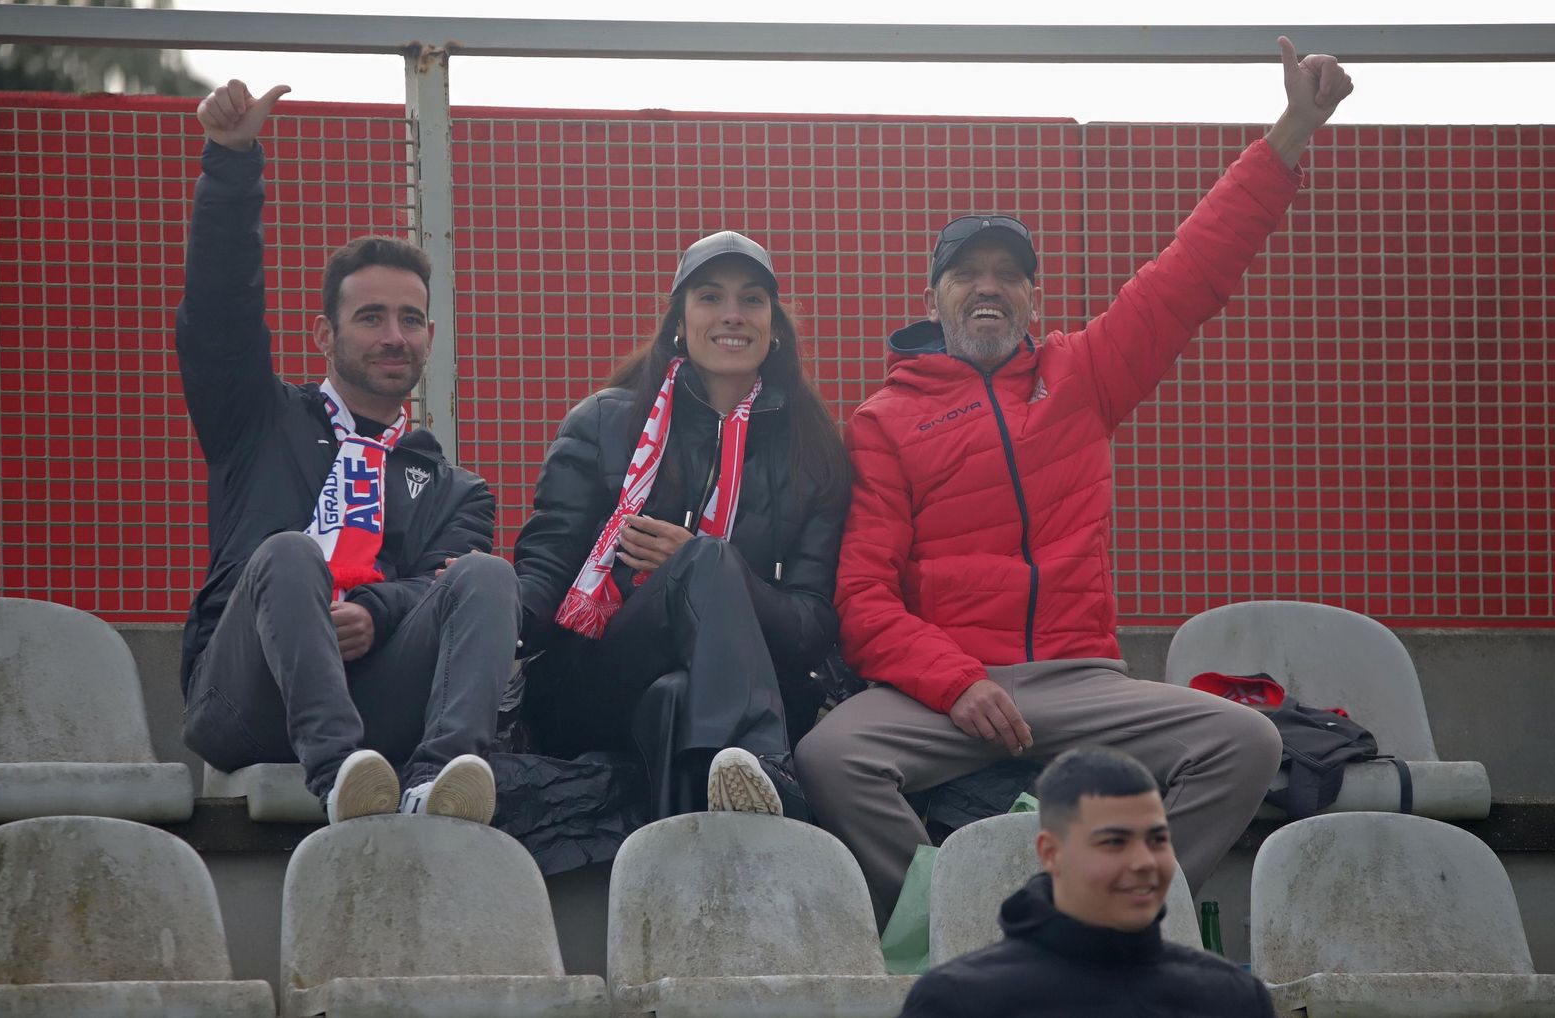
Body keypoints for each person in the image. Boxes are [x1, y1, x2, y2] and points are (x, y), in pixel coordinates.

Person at [797, 37, 1355, 925]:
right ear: (934, 299)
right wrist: (957, 684)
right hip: (950, 685)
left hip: (1083, 678)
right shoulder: (884, 420)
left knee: (1244, 742)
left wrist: (1293, 126)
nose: (989, 289)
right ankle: (962, 923)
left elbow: (1192, 272)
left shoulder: (1083, 374)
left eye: (1008, 277)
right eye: (968, 276)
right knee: (834, 758)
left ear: (1033, 301)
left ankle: (1119, 921)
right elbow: (863, 600)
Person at [176, 79, 518, 825]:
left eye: (410, 319)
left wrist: (370, 605)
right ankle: (338, 784)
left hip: (377, 707)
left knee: (489, 576)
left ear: (428, 337)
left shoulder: (457, 488)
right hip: (247, 700)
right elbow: (218, 312)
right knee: (291, 554)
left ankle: (439, 781)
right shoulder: (257, 419)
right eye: (370, 317)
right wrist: (231, 164)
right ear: (325, 337)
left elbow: (439, 590)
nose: (394, 335)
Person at [513, 230, 849, 820]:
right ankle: (765, 768)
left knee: (680, 681)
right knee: (706, 562)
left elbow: (813, 628)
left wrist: (721, 575)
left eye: (751, 300)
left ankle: (710, 836)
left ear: (774, 326)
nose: (732, 316)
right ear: (679, 320)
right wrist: (489, 613)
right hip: (594, 680)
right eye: (710, 297)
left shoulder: (814, 451)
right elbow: (545, 572)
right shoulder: (601, 422)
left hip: (757, 681)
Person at [898, 747, 1273, 1017]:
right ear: (1050, 853)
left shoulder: (1230, 999)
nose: (1144, 862)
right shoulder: (956, 1001)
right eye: (1114, 842)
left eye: (1157, 840)